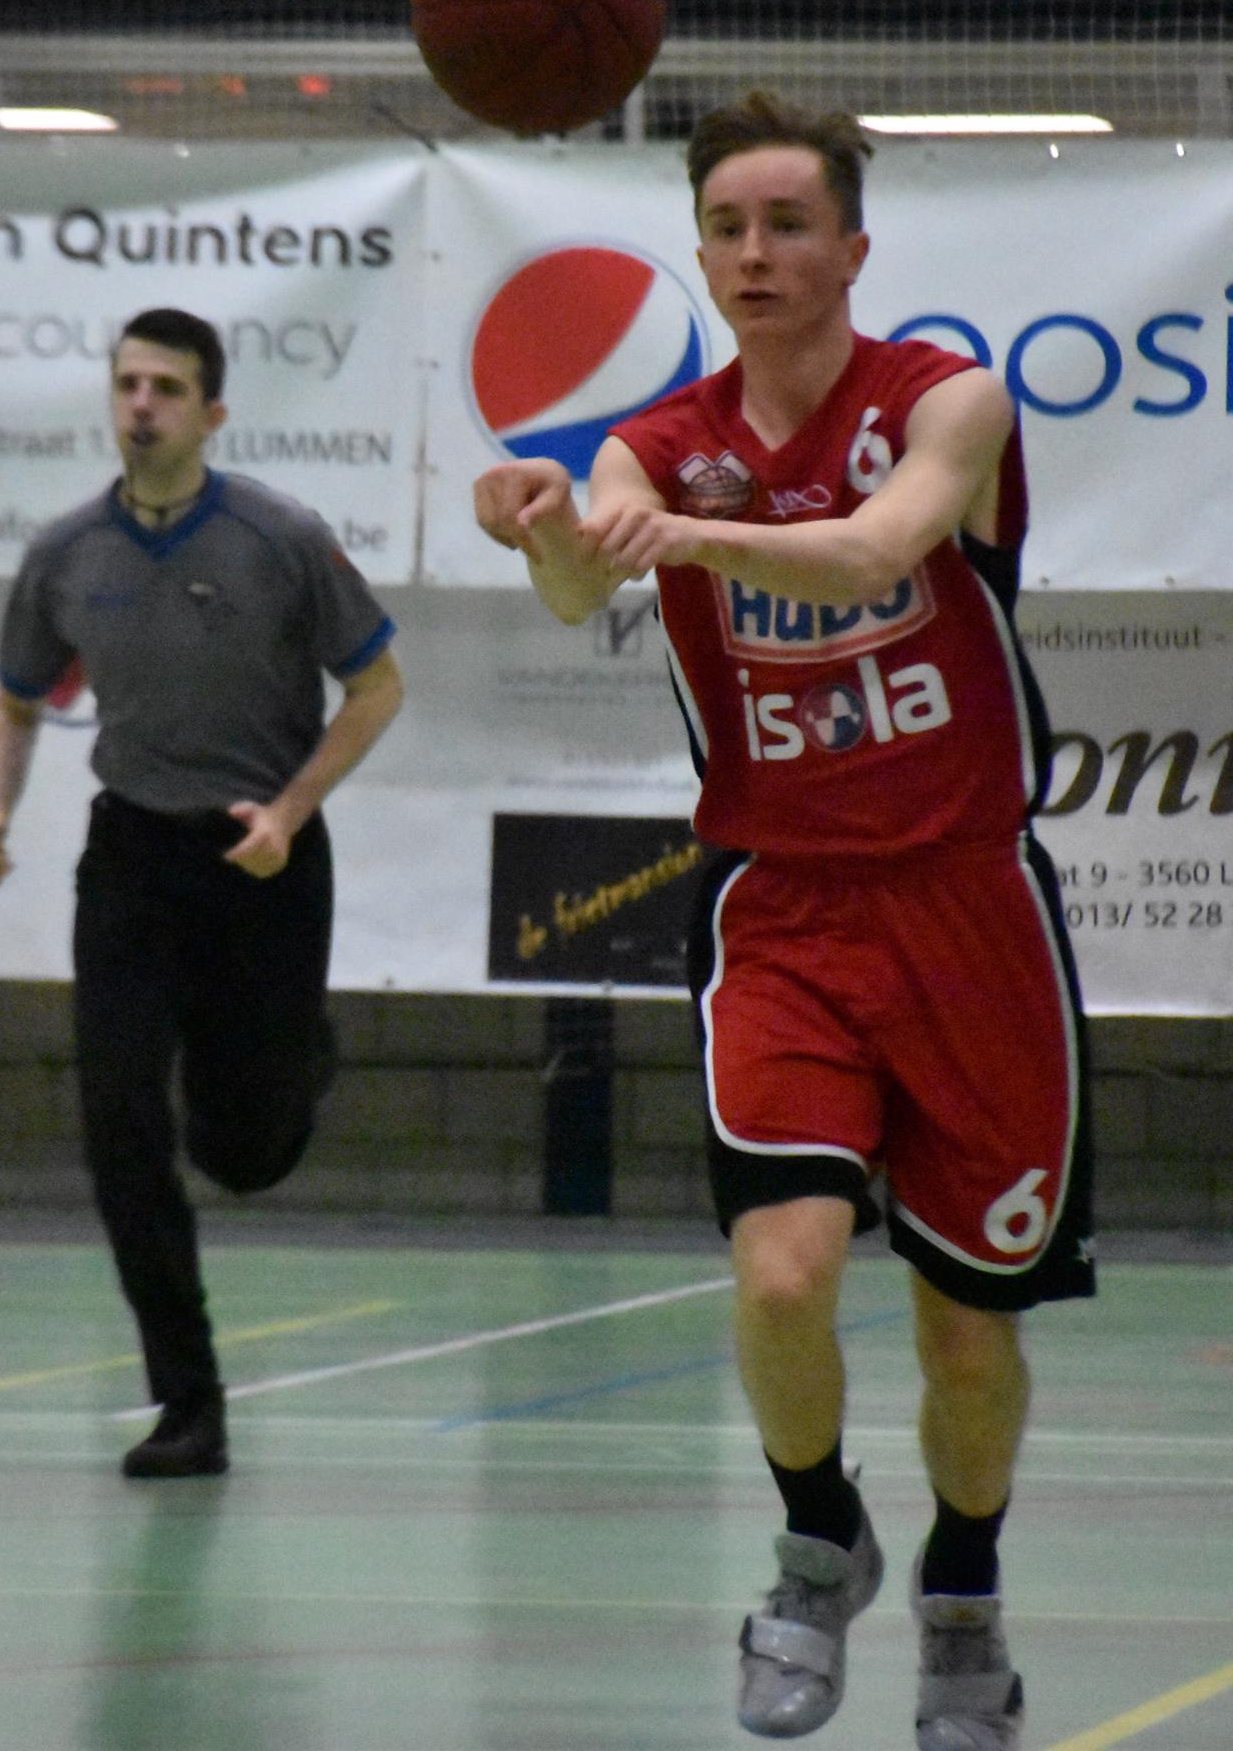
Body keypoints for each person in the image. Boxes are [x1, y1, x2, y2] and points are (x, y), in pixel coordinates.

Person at [473, 94, 1093, 1749]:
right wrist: (545, 524)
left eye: (787, 224)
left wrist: (680, 533)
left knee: (970, 1342)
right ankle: (818, 1545)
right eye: (727, 228)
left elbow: (880, 550)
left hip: (967, 907)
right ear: (699, 254)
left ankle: (963, 1596)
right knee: (778, 1278)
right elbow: (576, 586)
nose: (755, 254)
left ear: (852, 247)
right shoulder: (653, 440)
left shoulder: (943, 401)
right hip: (782, 912)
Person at [0, 306, 403, 1480]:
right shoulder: (67, 551)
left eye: (165, 387)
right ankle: (188, 1399)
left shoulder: (280, 537)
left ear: (212, 412)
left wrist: (290, 810)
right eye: (127, 384)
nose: (141, 405)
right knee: (119, 1119)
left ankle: (295, 1062)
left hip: (261, 854)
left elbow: (377, 687)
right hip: (131, 858)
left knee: (245, 1146)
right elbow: (15, 703)